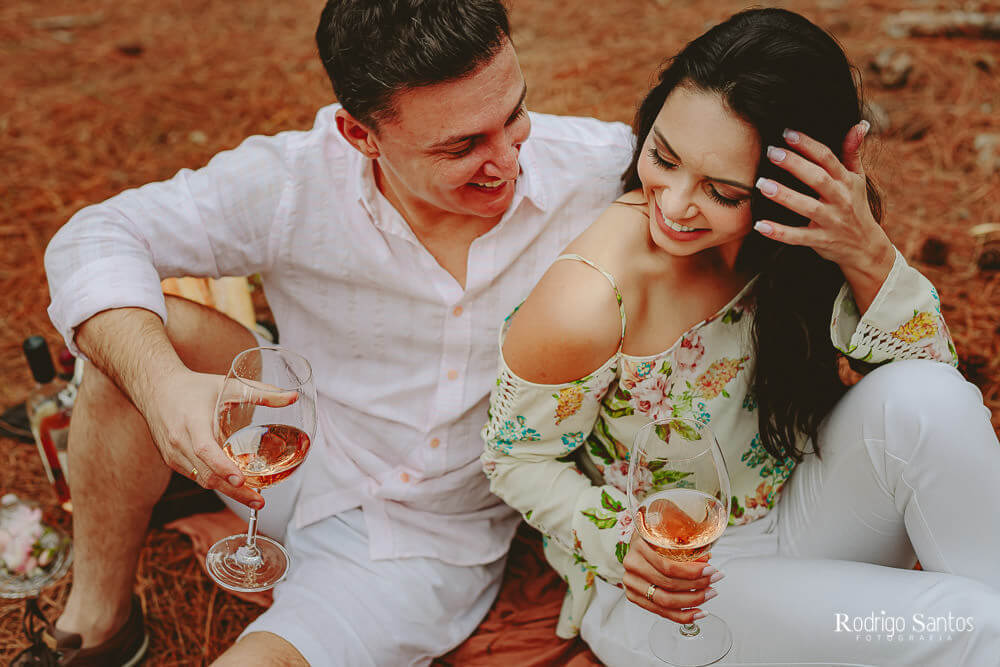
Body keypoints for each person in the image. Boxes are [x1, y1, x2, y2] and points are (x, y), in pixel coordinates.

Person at [23, 1, 639, 665]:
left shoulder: (602, 170)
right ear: (360, 135)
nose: (507, 161)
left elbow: (720, 191)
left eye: (514, 114)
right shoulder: (295, 180)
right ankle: (100, 625)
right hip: (292, 437)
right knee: (139, 341)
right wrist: (161, 384)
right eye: (461, 146)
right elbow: (95, 235)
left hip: (418, 536)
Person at [481, 8, 1000, 665]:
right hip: (674, 589)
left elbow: (936, 376)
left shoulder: (789, 245)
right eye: (662, 157)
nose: (672, 204)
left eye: (722, 190)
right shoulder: (589, 299)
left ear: (787, 191)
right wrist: (619, 539)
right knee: (975, 624)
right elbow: (511, 458)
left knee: (931, 398)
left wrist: (865, 249)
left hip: (801, 517)